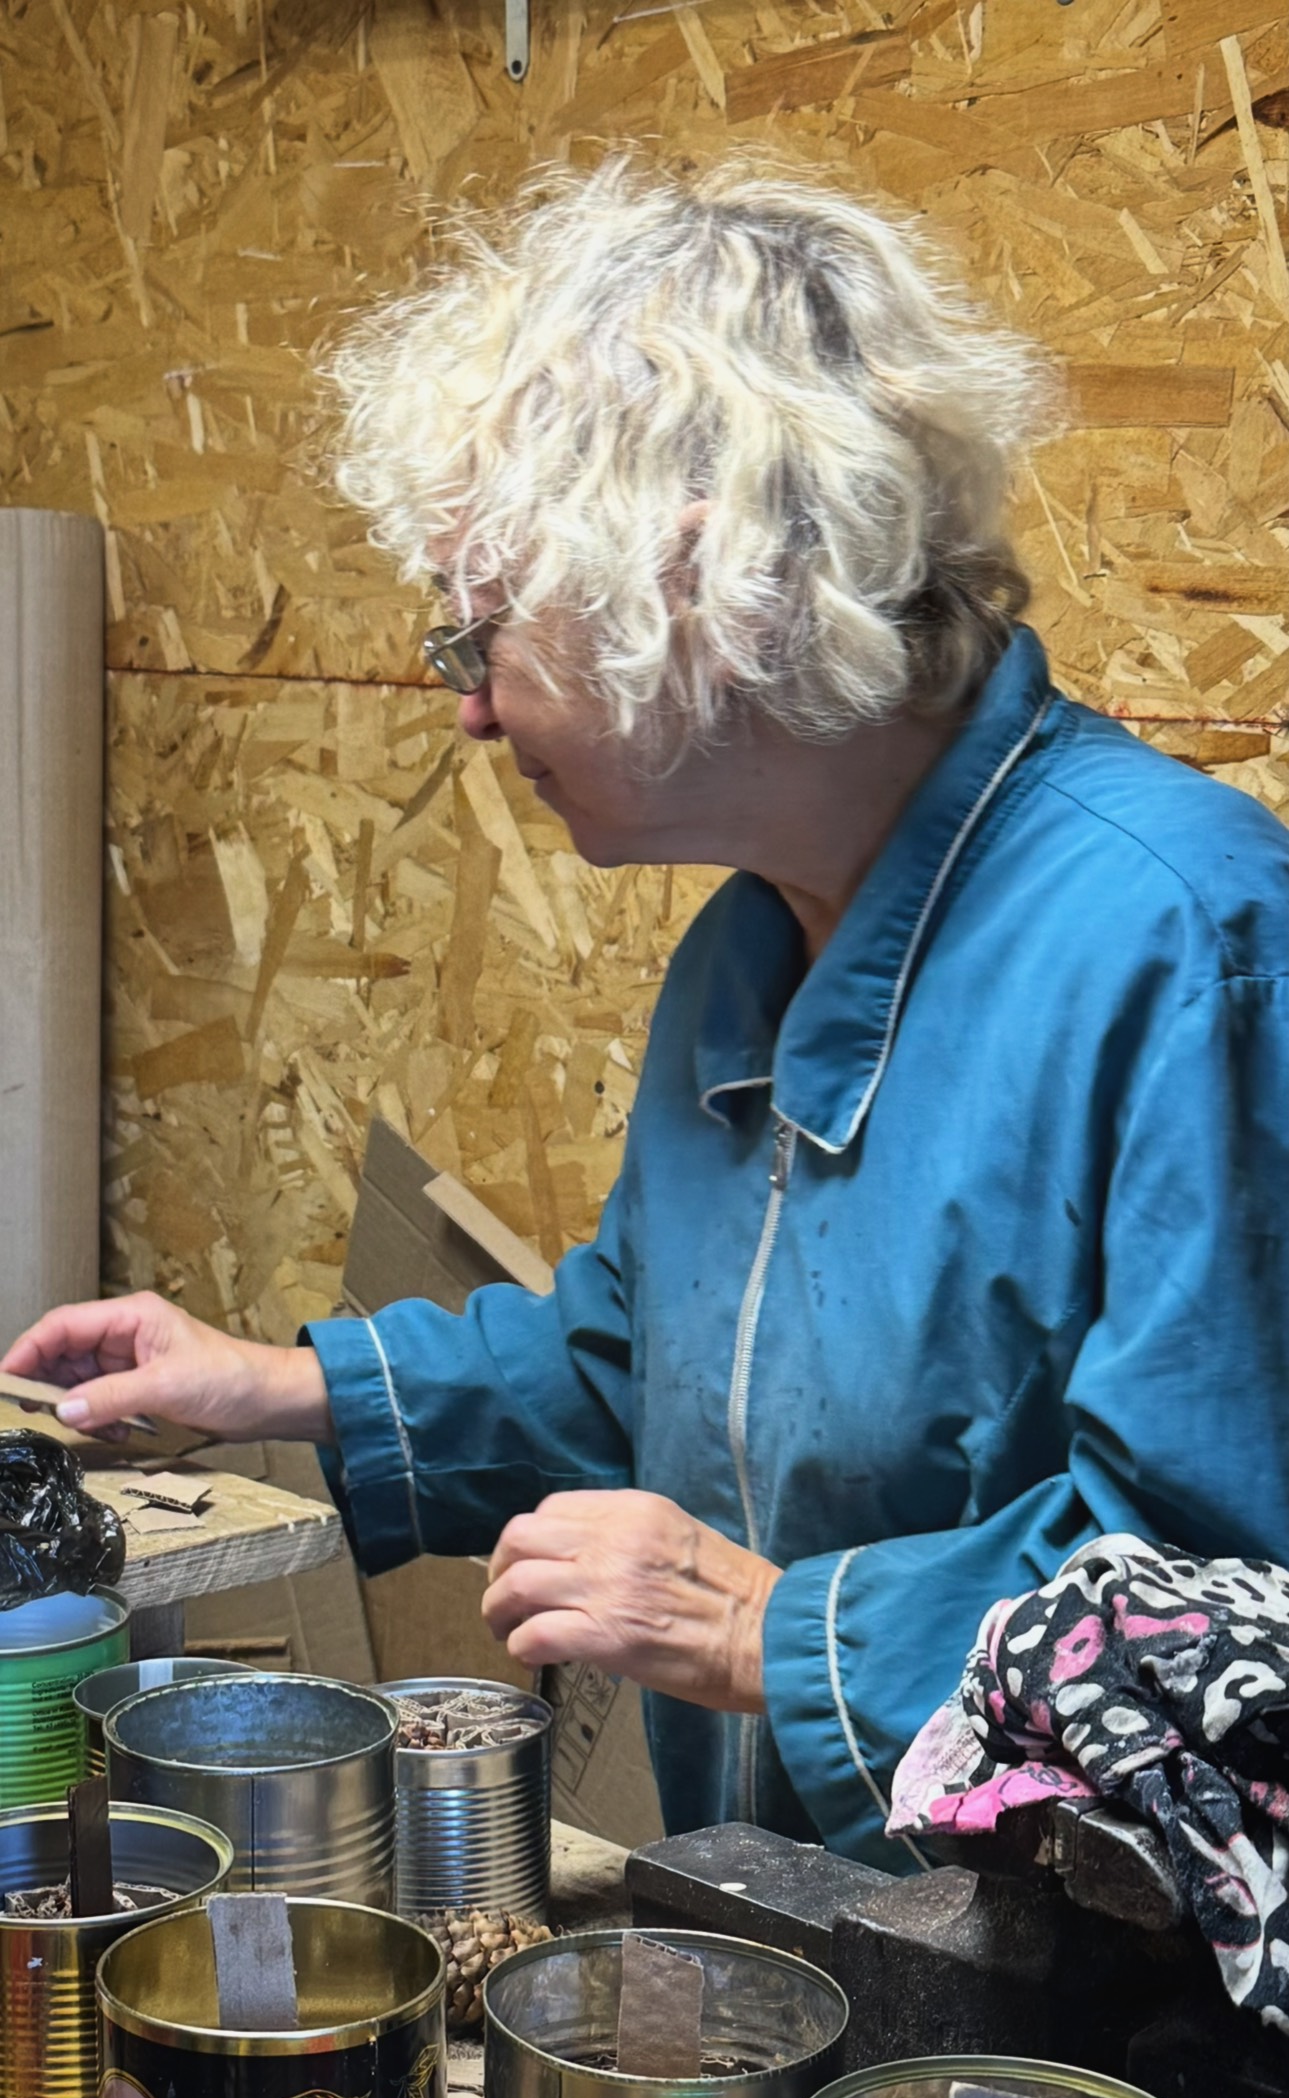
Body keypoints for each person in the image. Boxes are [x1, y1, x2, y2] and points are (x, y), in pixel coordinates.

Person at [10, 157, 1289, 1871]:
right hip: (797, 1920)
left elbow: (1224, 1608)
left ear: (697, 584)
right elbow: (647, 1359)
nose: (467, 710)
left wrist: (773, 1631)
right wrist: (279, 1388)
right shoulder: (745, 949)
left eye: (480, 635)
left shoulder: (1189, 942)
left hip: (1088, 1996)